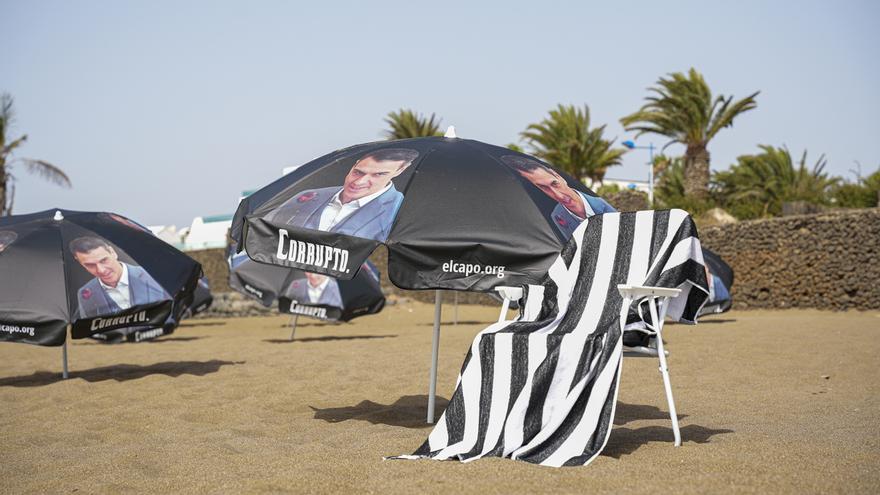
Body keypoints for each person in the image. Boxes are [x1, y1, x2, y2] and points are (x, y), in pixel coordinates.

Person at [264, 148, 418, 242]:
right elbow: (267, 228)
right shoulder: (308, 197)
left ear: (400, 170)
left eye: (378, 174)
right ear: (355, 163)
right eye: (358, 172)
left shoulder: (400, 212)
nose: (359, 182)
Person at [501, 155, 616, 240]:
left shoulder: (603, 206)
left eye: (555, 184)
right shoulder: (557, 215)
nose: (558, 195)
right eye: (544, 188)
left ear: (558, 176)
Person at [69, 236, 169, 319]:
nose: (101, 270)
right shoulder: (85, 294)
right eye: (90, 265)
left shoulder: (155, 276)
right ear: (81, 263)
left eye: (104, 260)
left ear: (113, 252)